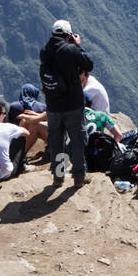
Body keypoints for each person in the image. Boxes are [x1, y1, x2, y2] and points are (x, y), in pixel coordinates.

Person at [39, 19, 93, 187]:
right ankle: (78, 177)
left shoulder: (45, 50)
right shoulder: (71, 50)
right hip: (72, 104)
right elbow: (88, 65)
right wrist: (77, 45)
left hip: (53, 104)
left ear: (52, 34)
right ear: (69, 35)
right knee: (76, 139)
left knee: (56, 140)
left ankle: (58, 176)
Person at [8, 84, 48, 156]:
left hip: (17, 138)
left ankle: (20, 155)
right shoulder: (42, 107)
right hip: (36, 137)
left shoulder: (14, 106)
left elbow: (10, 122)